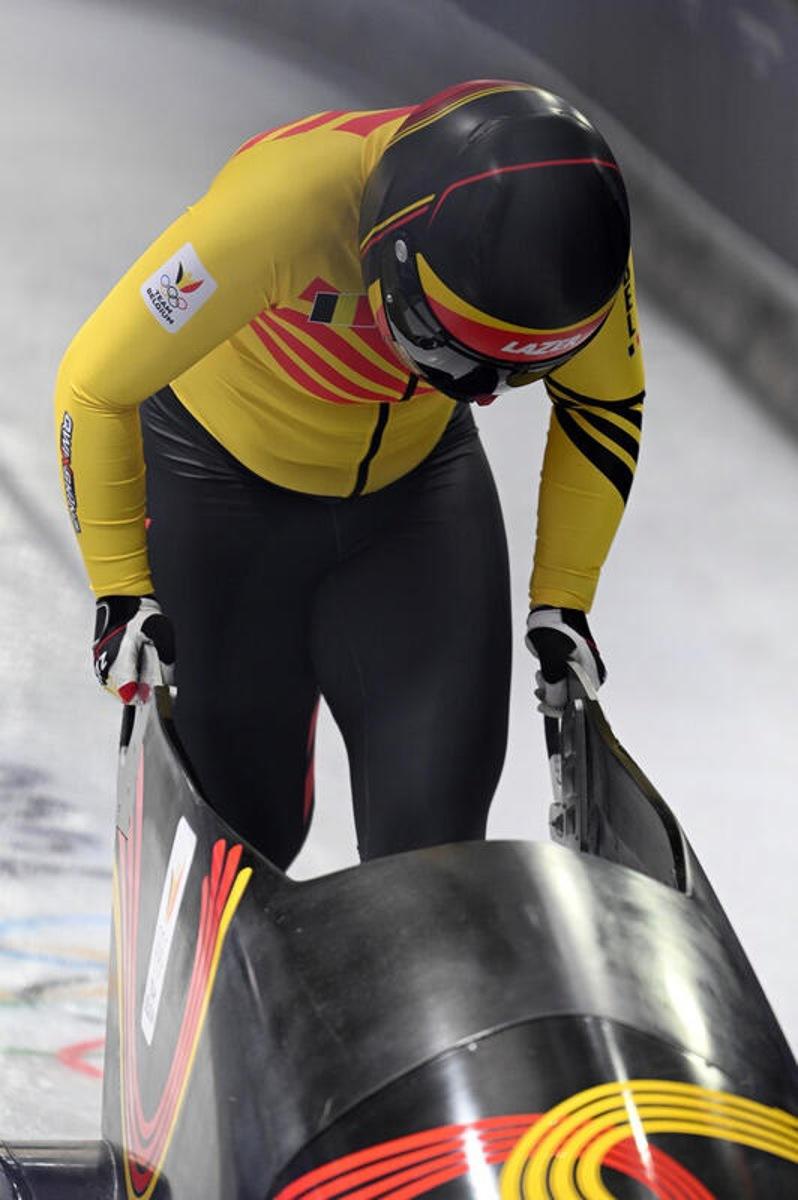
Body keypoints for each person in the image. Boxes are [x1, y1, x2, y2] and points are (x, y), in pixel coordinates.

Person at [55, 79, 644, 870]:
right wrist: (120, 589)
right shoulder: (280, 209)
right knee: (239, 835)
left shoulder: (577, 254)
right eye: (445, 354)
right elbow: (94, 383)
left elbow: (604, 403)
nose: (481, 394)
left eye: (509, 376)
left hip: (416, 504)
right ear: (386, 255)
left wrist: (562, 600)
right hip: (217, 490)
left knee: (433, 857)